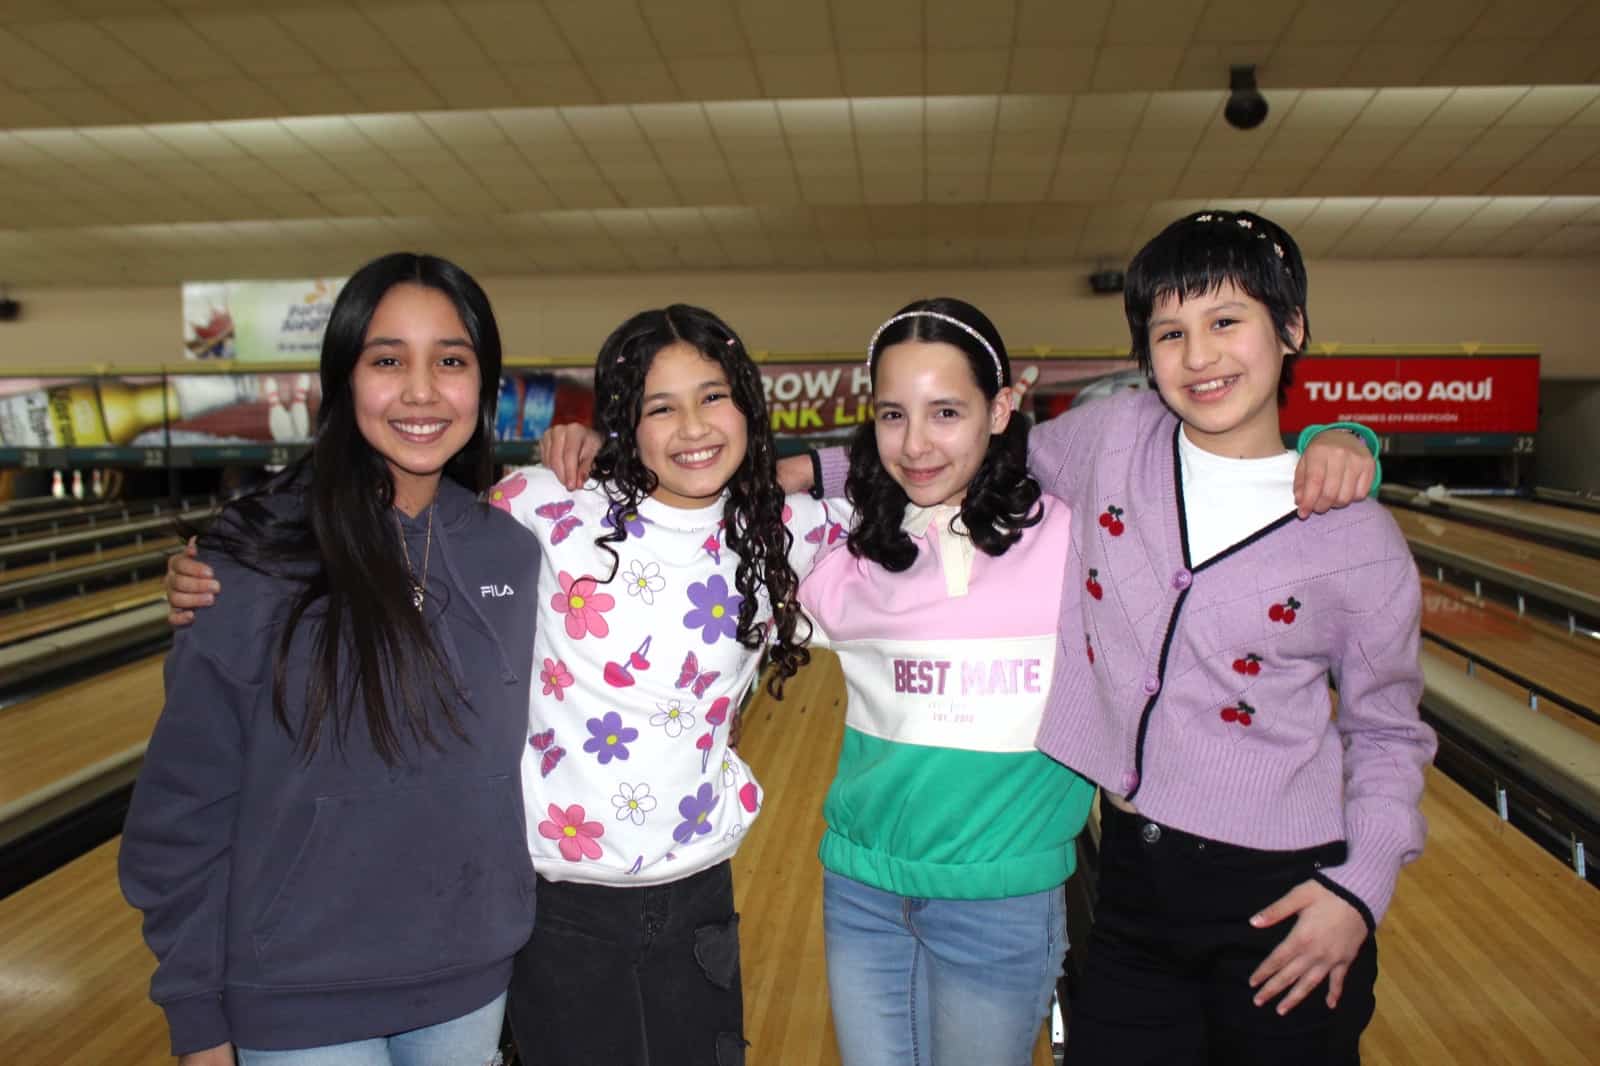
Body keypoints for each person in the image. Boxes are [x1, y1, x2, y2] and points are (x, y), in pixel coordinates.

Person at [167, 303, 832, 1065]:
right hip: (553, 900)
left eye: (714, 395)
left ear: (749, 403)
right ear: (627, 423)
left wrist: (803, 466)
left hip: (698, 894)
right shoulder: (541, 507)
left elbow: (967, 468)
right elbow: (401, 539)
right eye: (659, 406)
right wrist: (232, 568)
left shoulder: (790, 532)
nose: (693, 424)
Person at [122, 252, 540, 1066]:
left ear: (482, 384)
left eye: (450, 361)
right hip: (297, 994)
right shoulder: (247, 560)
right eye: (387, 360)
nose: (421, 391)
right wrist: (196, 1012)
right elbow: (183, 808)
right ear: (343, 379)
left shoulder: (511, 553)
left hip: (471, 980)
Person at [798, 299, 1096, 1066]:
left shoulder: (1072, 535)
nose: (916, 444)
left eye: (946, 412)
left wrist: (1336, 438)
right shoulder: (852, 548)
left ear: (1000, 410)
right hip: (863, 894)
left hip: (1001, 902)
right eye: (893, 415)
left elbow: (1189, 463)